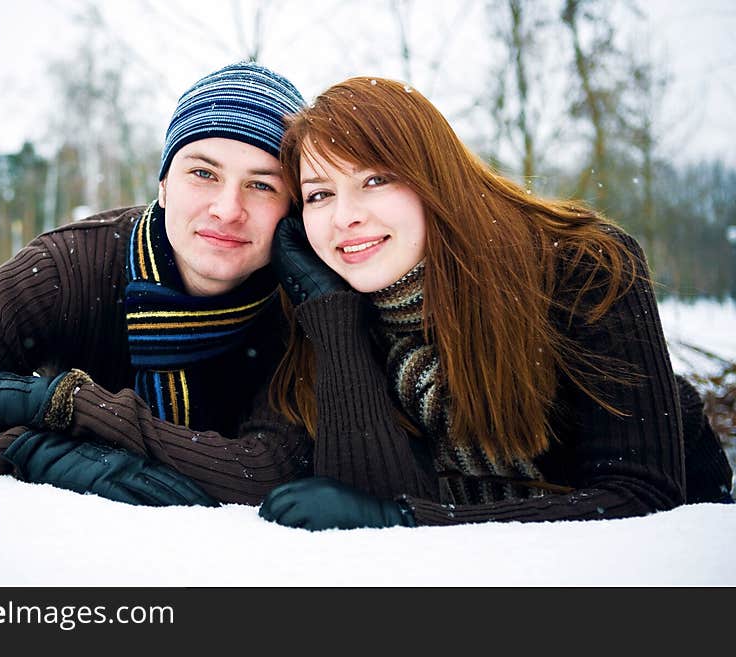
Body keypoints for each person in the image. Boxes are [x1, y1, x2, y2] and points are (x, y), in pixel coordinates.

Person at [257, 76, 734, 530]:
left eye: (375, 180)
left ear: (433, 178)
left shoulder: (582, 267)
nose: (345, 217)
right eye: (319, 194)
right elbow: (361, 501)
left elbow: (640, 499)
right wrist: (332, 317)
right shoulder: (332, 304)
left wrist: (408, 522)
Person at [0, 61, 314, 507]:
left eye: (261, 186)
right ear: (163, 185)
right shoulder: (66, 270)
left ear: (291, 206)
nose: (227, 208)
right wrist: (42, 455)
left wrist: (68, 405)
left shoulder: (299, 299)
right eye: (203, 173)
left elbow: (270, 472)